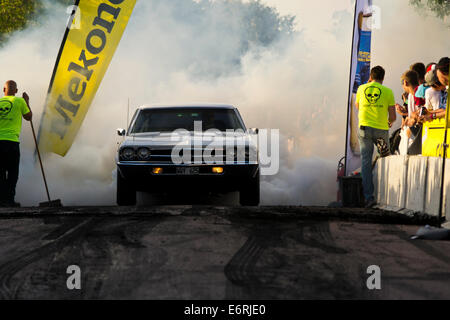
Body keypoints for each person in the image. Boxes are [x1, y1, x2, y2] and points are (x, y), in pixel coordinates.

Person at [356, 66, 396, 208]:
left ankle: (369, 197)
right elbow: (392, 117)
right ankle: (386, 195)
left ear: (371, 77)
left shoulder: (361, 89)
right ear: (383, 78)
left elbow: (358, 106)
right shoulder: (388, 92)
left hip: (365, 129)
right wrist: (388, 122)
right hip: (381, 130)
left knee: (366, 163)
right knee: (384, 160)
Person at [0, 81, 32, 207]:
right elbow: (29, 117)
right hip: (12, 142)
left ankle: (1, 201)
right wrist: (27, 101)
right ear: (16, 91)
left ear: (4, 89)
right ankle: (9, 200)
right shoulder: (20, 101)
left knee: (0, 173)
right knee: (13, 173)